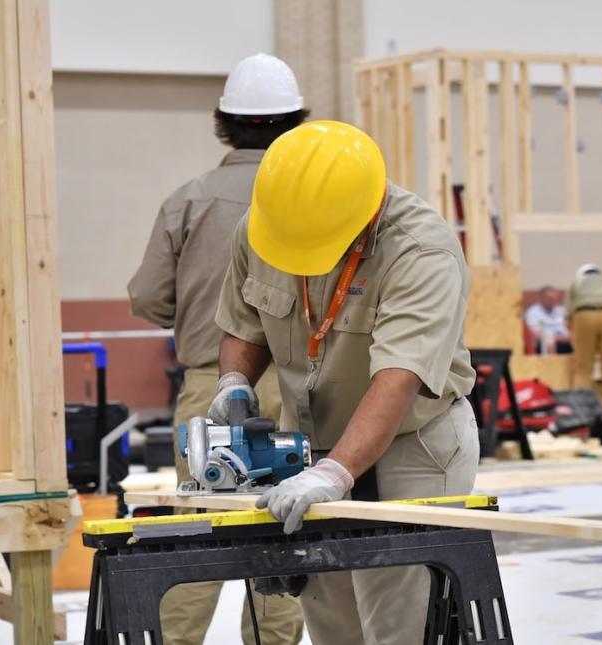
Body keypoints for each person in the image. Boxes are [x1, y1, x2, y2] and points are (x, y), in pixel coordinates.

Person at [213, 120, 479, 644]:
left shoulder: (421, 252)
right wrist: (233, 382)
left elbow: (398, 380)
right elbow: (244, 318)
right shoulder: (269, 225)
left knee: (399, 626)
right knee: (334, 625)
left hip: (411, 445)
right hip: (310, 444)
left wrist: (336, 473)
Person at [127, 53, 307, 645]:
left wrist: (194, 317)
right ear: (296, 120)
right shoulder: (318, 199)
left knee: (198, 530)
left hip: (211, 384)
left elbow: (149, 297)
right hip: (302, 387)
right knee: (290, 529)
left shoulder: (190, 200)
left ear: (224, 122)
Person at [566, 264, 602, 416]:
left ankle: (581, 414)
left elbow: (568, 314)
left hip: (584, 315)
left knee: (583, 370)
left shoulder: (576, 283)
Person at [524, 285, 572, 353]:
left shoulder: (561, 310)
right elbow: (534, 333)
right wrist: (554, 339)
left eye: (554, 298)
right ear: (541, 298)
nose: (552, 301)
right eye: (549, 298)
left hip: (564, 340)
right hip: (545, 342)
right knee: (549, 343)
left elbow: (570, 327)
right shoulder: (533, 312)